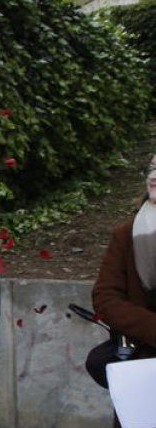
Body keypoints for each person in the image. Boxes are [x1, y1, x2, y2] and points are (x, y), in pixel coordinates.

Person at [91, 153, 156, 415]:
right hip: (144, 366)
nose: (153, 177)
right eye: (151, 168)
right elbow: (106, 297)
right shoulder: (126, 233)